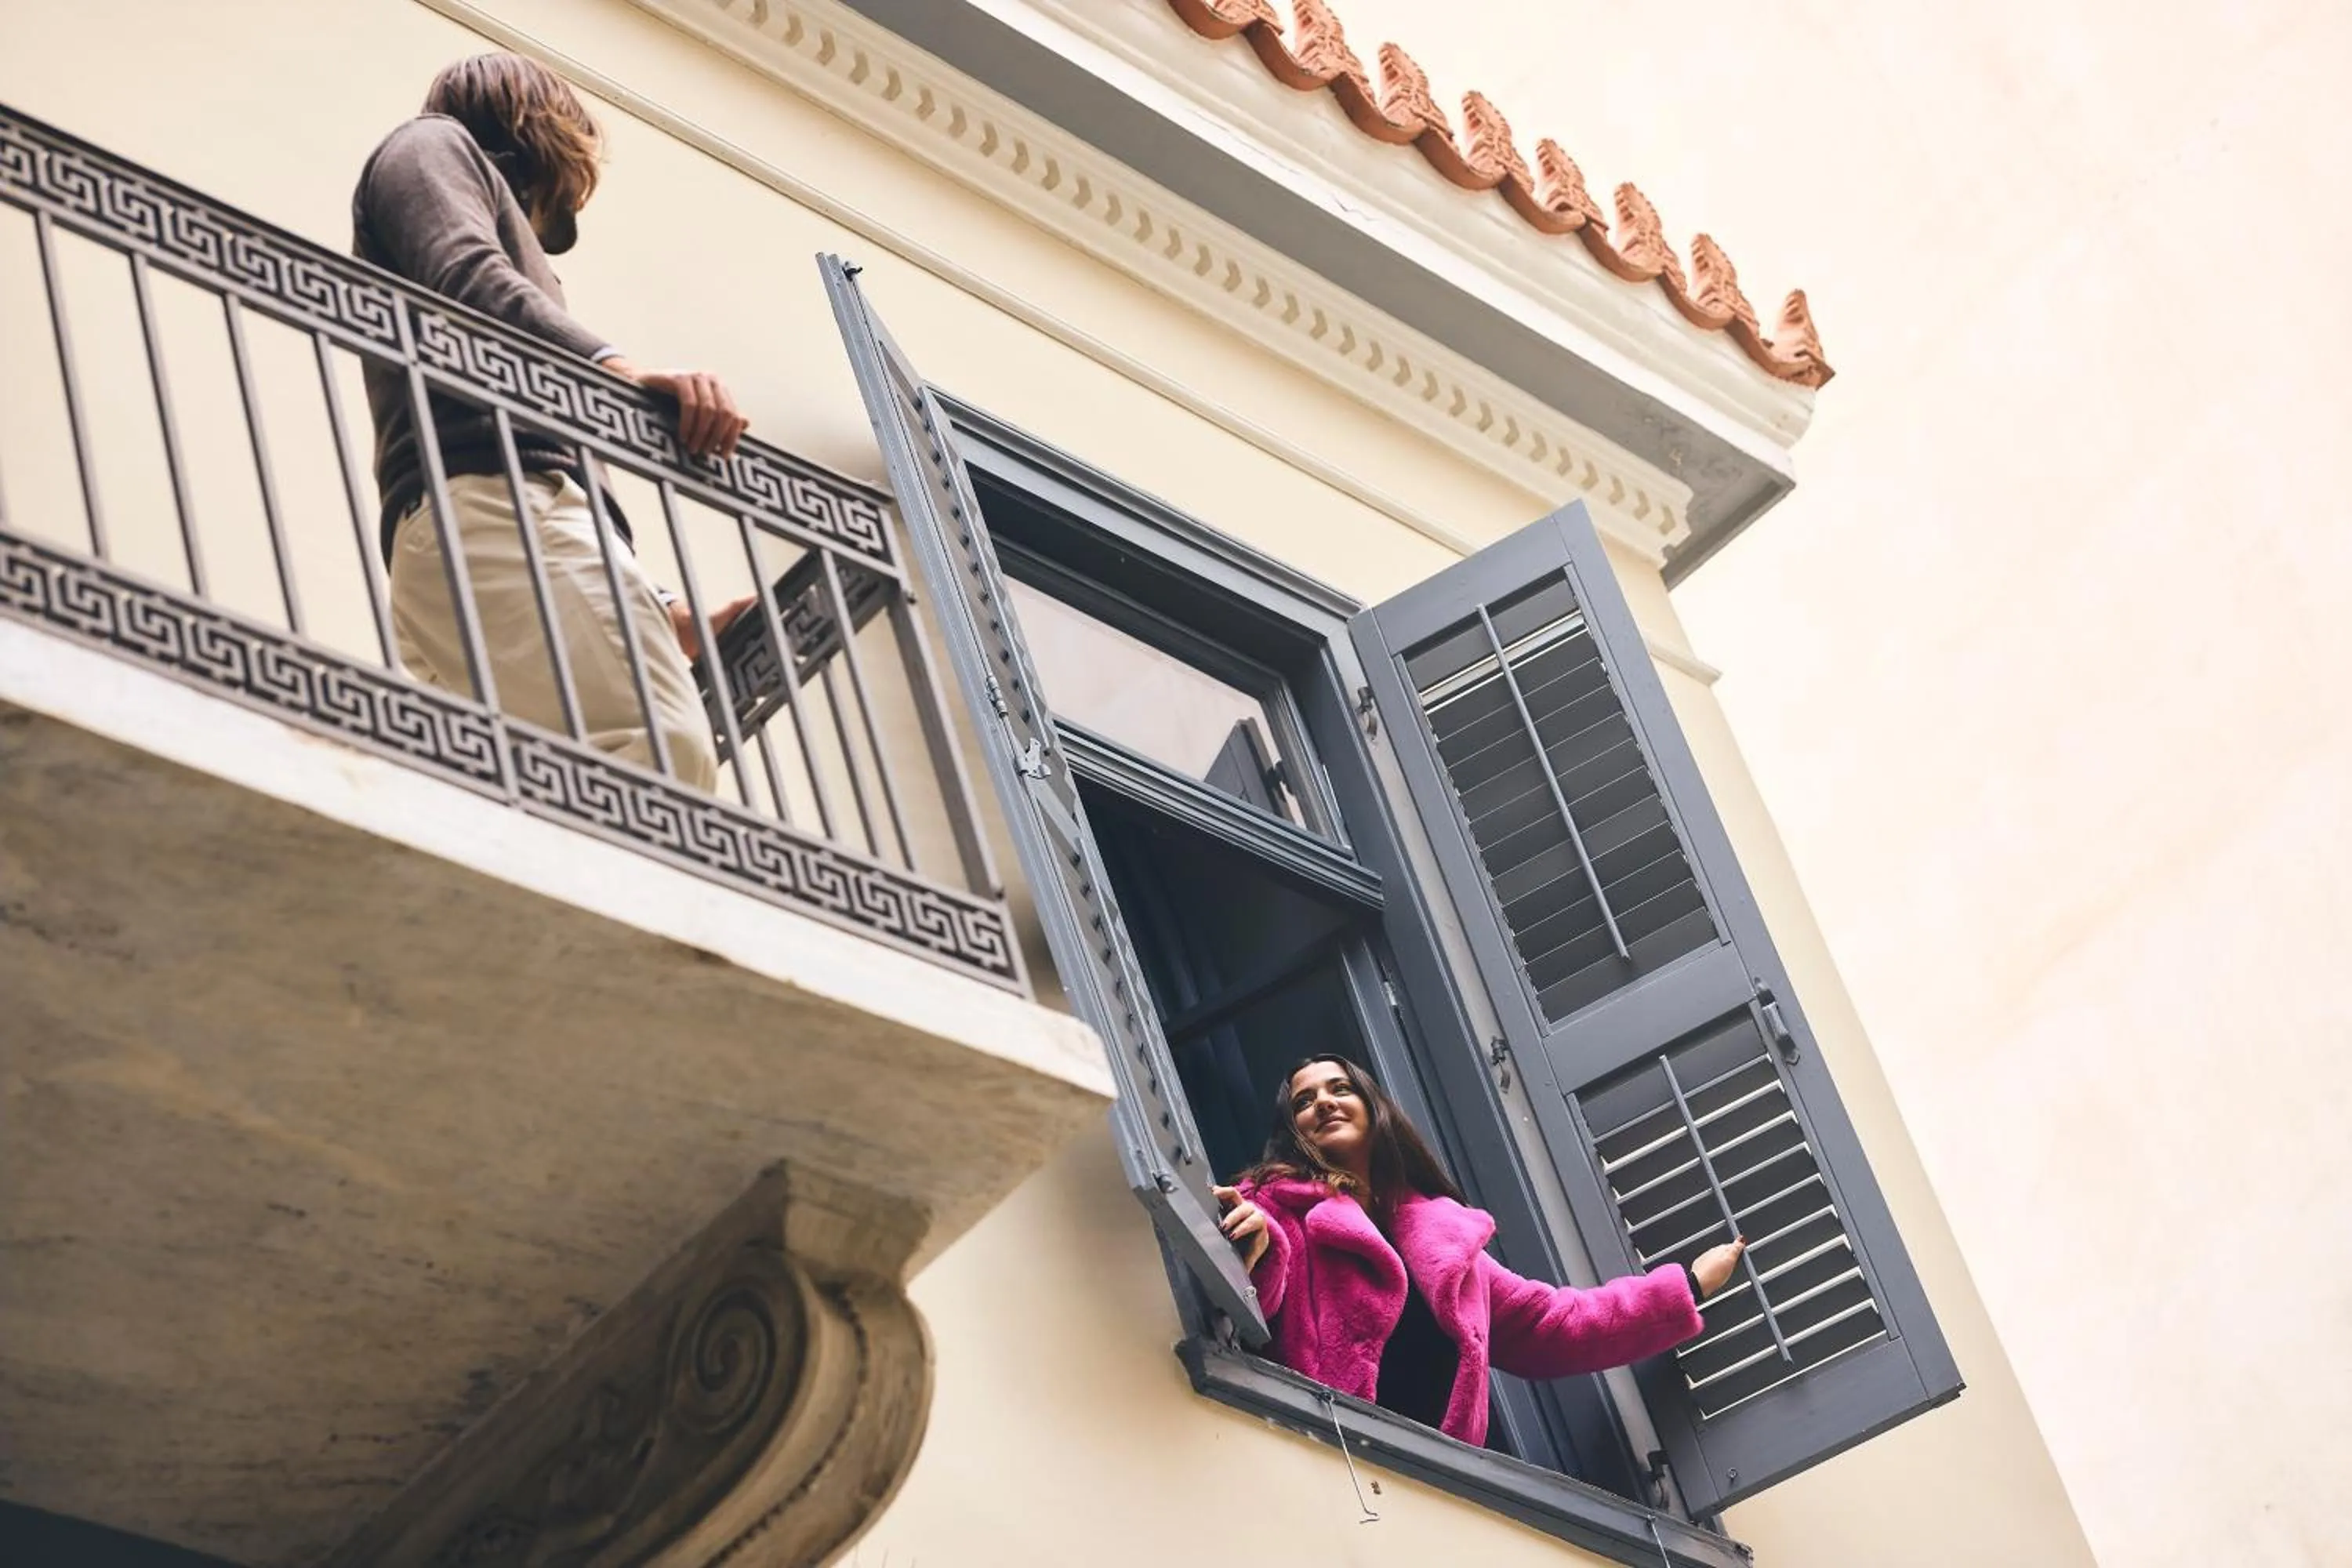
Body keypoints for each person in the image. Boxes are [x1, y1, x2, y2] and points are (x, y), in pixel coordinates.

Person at [352, 53, 753, 789]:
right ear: (537, 121)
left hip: (474, 534)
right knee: (665, 747)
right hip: (488, 508)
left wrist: (661, 611)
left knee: (548, 794)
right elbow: (466, 276)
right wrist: (613, 368)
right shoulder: (431, 145)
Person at [1213, 1054, 1747, 1445]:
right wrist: (1254, 1247)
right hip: (1320, 1460)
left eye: (1339, 1089)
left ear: (1374, 1109)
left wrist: (1688, 1286)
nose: (1323, 1102)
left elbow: (1559, 1324)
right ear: (1292, 1130)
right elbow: (1256, 1293)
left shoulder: (1444, 1245)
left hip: (1439, 1488)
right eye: (1304, 1101)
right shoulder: (1274, 1207)